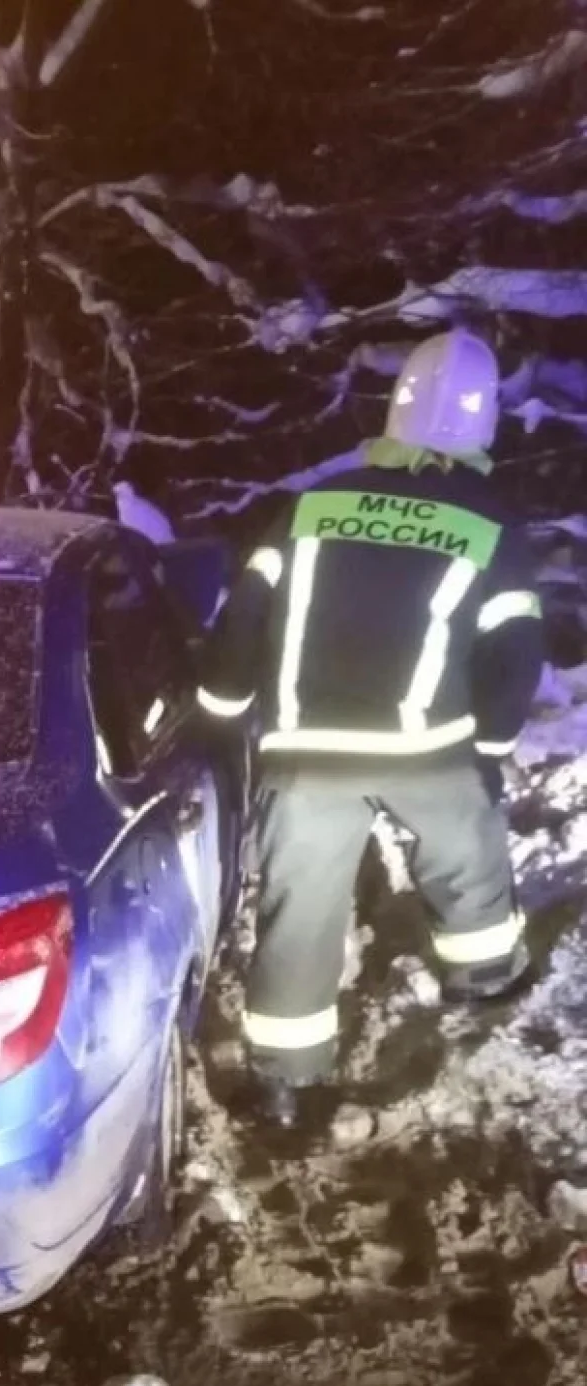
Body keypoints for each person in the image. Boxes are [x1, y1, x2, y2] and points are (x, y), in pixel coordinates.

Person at [196, 328, 545, 1125]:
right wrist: (489, 749)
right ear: (484, 425)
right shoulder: (490, 523)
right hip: (429, 749)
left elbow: (242, 618)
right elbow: (516, 650)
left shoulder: (310, 507)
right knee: (467, 851)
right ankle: (484, 976)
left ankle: (285, 1080)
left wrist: (221, 712)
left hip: (306, 753)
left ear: (395, 411)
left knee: (299, 906)